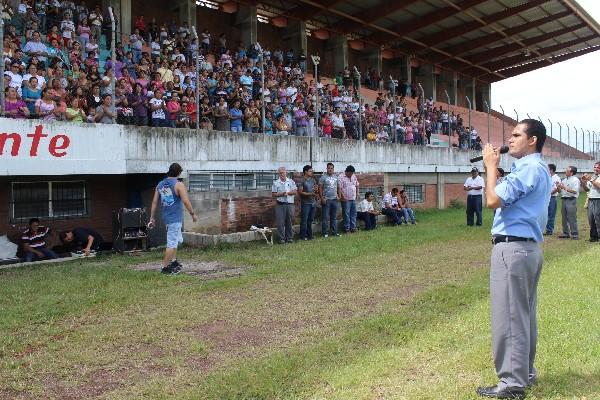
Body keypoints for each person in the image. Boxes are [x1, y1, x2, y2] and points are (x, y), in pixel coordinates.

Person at [477, 119, 551, 400]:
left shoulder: (529, 168)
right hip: (528, 249)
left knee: (509, 316)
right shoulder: (537, 168)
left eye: (517, 135)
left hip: (513, 248)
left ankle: (511, 383)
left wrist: (490, 167)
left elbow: (493, 200)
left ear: (533, 140)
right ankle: (524, 373)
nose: (511, 139)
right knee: (523, 315)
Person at [149, 163, 198, 274]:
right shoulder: (178, 184)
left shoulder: (160, 184)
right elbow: (185, 201)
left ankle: (174, 261)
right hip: (175, 218)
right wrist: (192, 214)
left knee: (176, 240)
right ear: (179, 173)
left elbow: (154, 202)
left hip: (167, 218)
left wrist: (152, 217)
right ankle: (165, 268)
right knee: (171, 243)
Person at [271, 166, 297, 244]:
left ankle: (289, 238)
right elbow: (273, 194)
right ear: (278, 174)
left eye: (283, 172)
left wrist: (288, 193)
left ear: (286, 172)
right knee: (280, 222)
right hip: (280, 204)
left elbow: (295, 192)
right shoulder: (276, 183)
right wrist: (282, 194)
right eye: (280, 173)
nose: (281, 174)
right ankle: (281, 238)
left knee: (289, 222)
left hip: (289, 204)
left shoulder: (291, 181)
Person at [557, 166, 580, 240]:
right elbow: (560, 191)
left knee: (572, 217)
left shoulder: (575, 180)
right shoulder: (564, 180)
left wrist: (563, 187)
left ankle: (575, 234)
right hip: (564, 199)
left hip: (571, 199)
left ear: (571, 172)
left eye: (567, 170)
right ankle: (565, 233)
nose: (565, 171)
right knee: (564, 217)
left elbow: (574, 191)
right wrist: (558, 186)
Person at [580, 161, 600, 242]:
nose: (595, 169)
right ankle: (593, 237)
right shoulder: (593, 177)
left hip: (598, 199)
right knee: (591, 219)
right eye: (594, 167)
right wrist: (583, 182)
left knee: (598, 219)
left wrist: (590, 179)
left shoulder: (594, 178)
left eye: (598, 167)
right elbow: (587, 189)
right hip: (591, 199)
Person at [319, 162, 340, 237]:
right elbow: (320, 189)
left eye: (331, 168)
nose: (330, 169)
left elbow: (338, 187)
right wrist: (322, 198)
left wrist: (339, 196)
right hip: (326, 200)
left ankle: (334, 232)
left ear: (333, 169)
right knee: (325, 217)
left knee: (334, 217)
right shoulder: (323, 177)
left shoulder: (336, 177)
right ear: (326, 169)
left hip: (334, 199)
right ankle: (325, 233)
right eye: (329, 168)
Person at [298, 164, 317, 241]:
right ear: (305, 172)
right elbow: (300, 192)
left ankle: (310, 235)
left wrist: (316, 190)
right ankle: (303, 236)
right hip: (305, 203)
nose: (311, 172)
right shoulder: (302, 180)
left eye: (312, 171)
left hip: (313, 202)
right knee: (304, 220)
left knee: (310, 220)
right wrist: (310, 194)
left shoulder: (313, 180)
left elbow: (315, 190)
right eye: (310, 171)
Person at [338, 165, 359, 233]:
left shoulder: (353, 176)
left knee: (353, 213)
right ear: (347, 172)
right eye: (350, 173)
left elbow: (357, 184)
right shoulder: (341, 177)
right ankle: (347, 228)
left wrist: (357, 193)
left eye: (352, 173)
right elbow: (339, 188)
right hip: (345, 199)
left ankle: (353, 227)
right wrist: (342, 197)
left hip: (353, 198)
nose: (351, 175)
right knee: (346, 214)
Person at [544, 163, 561, 236]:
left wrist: (548, 194)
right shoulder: (547, 177)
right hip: (544, 198)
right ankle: (543, 229)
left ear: (551, 170)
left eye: (547, 168)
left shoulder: (556, 178)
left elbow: (557, 189)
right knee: (544, 214)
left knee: (551, 214)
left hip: (552, 198)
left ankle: (549, 230)